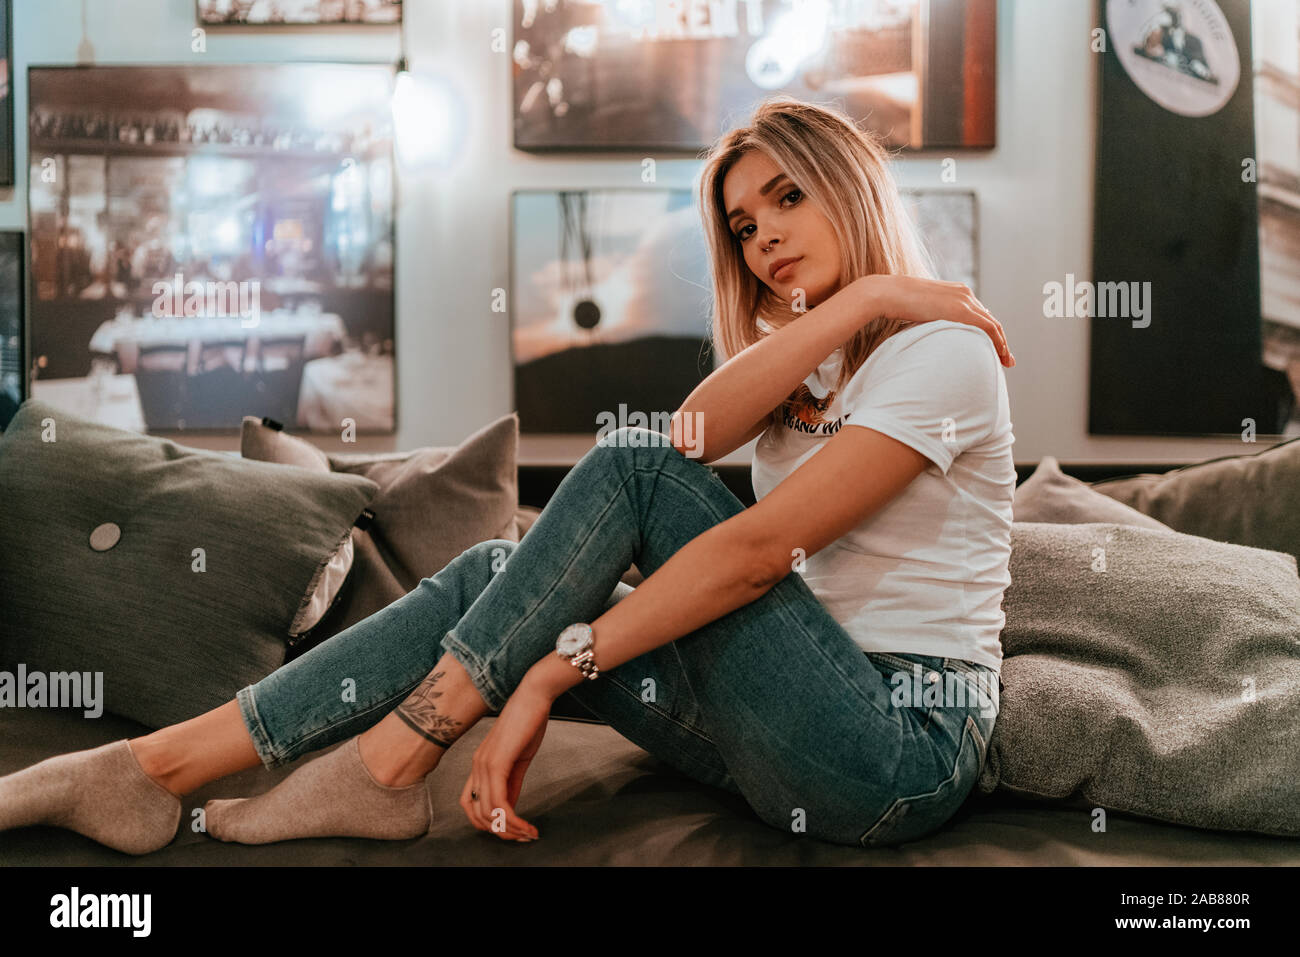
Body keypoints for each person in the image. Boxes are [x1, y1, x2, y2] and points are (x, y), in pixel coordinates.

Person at [0, 95, 1017, 853]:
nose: (763, 242)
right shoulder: (826, 359)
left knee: (630, 466)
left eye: (786, 199)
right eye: (745, 228)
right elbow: (699, 435)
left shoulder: (944, 355)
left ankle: (391, 761)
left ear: (849, 184)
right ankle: (151, 766)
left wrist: (552, 668)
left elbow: (752, 554)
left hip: (892, 747)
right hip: (787, 718)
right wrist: (851, 303)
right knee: (496, 565)